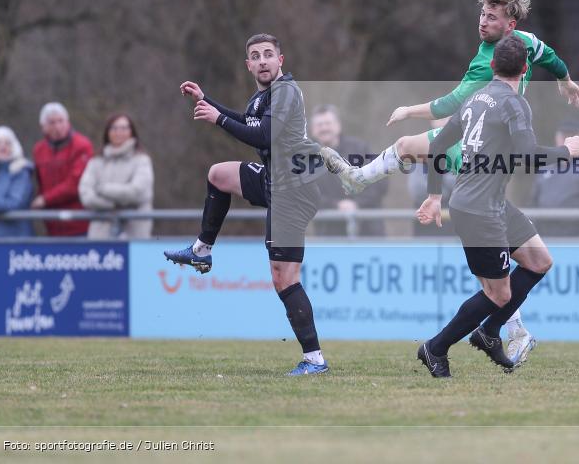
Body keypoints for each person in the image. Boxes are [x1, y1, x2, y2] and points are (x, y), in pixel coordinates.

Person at [322, 0, 579, 365]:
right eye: (482, 14)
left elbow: (450, 104)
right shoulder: (522, 45)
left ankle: (358, 179)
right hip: (488, 150)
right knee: (496, 279)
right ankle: (502, 333)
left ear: (510, 25)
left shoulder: (491, 62)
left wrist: (410, 109)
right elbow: (552, 59)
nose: (483, 22)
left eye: (492, 17)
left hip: (485, 146)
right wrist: (566, 83)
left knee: (411, 149)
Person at [416, 34, 579, 377]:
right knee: (498, 293)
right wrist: (568, 151)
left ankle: (489, 332)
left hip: (488, 203)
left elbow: (436, 149)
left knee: (539, 262)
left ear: (492, 66)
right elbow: (528, 157)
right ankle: (435, 348)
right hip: (479, 211)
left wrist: (435, 196)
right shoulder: (515, 103)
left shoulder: (475, 98)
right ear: (525, 69)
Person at [164, 33, 329, 376]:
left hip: (293, 191)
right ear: (249, 65)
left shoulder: (285, 91)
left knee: (284, 278)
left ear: (281, 60)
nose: (263, 60)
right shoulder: (261, 98)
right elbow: (245, 122)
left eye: (269, 54)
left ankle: (314, 359)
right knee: (218, 175)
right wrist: (207, 101)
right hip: (275, 181)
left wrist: (217, 118)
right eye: (256, 55)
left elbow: (263, 136)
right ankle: (202, 249)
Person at [309, 104, 387, 237]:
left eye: (328, 123)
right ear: (312, 130)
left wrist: (356, 204)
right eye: (319, 125)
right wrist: (337, 205)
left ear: (338, 125)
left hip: (368, 232)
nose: (324, 128)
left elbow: (380, 183)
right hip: (328, 235)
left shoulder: (361, 149)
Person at [78, 114, 154, 239]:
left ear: (131, 132)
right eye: (114, 128)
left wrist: (102, 190)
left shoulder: (142, 160)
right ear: (107, 132)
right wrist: (114, 205)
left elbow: (137, 192)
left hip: (135, 235)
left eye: (124, 128)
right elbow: (86, 195)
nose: (119, 132)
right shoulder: (96, 161)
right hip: (100, 235)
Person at [529, 119, 579, 237]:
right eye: (564, 136)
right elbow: (534, 200)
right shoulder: (546, 164)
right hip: (545, 236)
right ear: (557, 139)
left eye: (573, 136)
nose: (568, 141)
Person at [31, 102, 94, 236]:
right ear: (43, 127)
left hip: (79, 223)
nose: (57, 126)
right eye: (52, 122)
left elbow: (75, 183)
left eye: (61, 121)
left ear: (68, 122)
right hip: (52, 225)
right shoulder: (39, 150)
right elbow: (39, 183)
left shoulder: (82, 145)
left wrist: (45, 199)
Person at [407, 119, 455, 237]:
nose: (443, 121)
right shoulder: (419, 145)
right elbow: (417, 189)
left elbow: (465, 185)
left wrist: (435, 185)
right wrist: (439, 190)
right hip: (427, 219)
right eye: (439, 116)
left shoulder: (465, 145)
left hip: (458, 219)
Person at [0, 126, 34, 237]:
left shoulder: (21, 172)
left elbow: (13, 204)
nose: (2, 147)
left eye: (7, 143)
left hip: (15, 240)